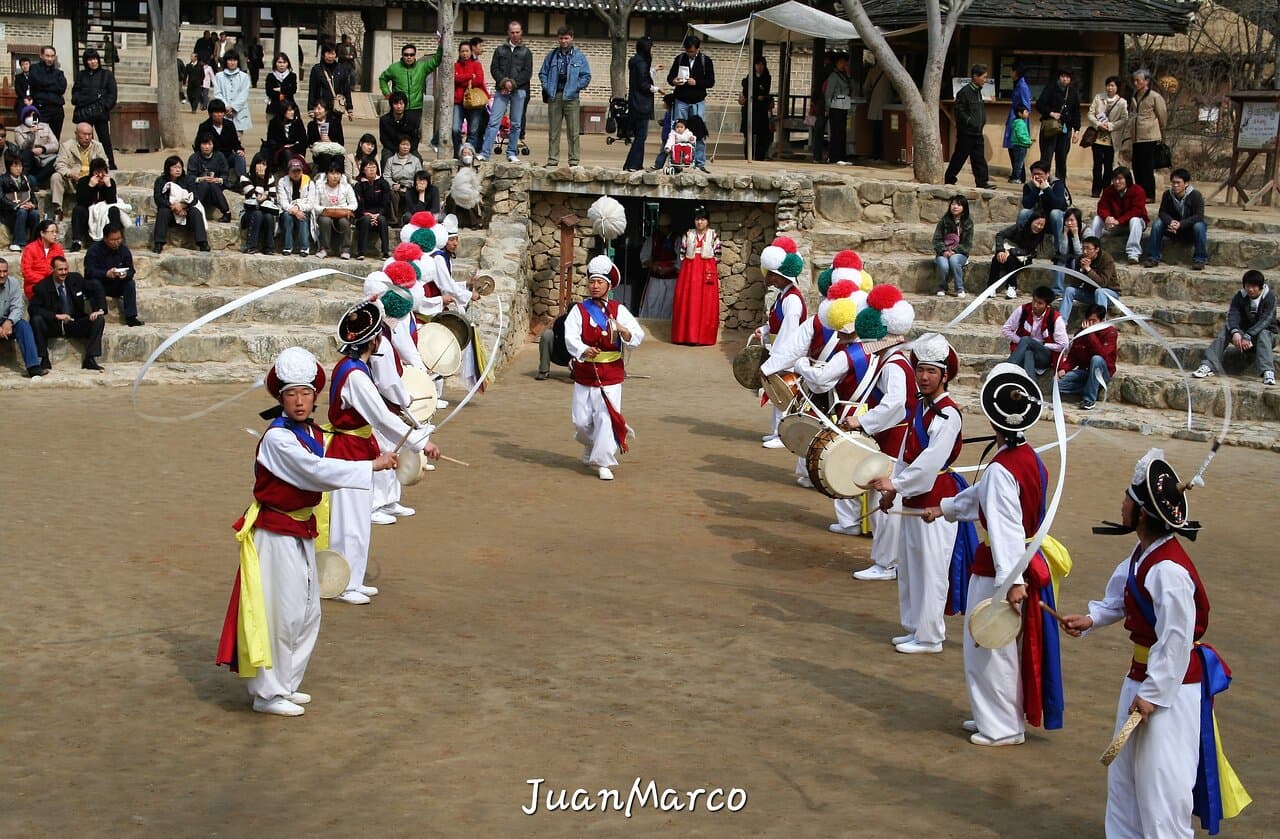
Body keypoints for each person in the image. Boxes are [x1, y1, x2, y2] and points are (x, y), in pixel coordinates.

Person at [1061, 449, 1251, 836]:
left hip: (1170, 689)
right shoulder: (1143, 554)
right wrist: (1093, 618)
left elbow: (1177, 640)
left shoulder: (1169, 569)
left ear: (1144, 513)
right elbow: (1122, 596)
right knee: (1126, 782)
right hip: (1143, 677)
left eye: (1128, 498)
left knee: (1163, 789)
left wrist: (1153, 693)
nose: (1122, 503)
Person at [216, 347, 397, 716]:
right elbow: (315, 471)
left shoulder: (311, 431)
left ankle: (285, 684)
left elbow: (326, 462)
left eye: (305, 393)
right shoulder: (278, 439)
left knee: (308, 611)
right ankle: (267, 693)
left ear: (315, 397)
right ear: (281, 398)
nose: (299, 401)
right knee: (281, 613)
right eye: (291, 394)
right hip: (275, 531)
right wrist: (371, 467)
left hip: (299, 528)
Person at [923, 363, 1066, 747]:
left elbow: (1004, 528)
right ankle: (996, 714)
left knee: (988, 646)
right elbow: (983, 496)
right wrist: (946, 508)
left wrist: (1012, 582)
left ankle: (1002, 726)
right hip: (1018, 562)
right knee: (996, 647)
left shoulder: (1004, 468)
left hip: (1002, 569)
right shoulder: (1027, 458)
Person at [324, 302, 438, 603]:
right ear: (374, 341)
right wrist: (421, 442)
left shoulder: (355, 369)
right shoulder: (356, 376)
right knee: (349, 522)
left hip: (358, 448)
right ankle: (342, 584)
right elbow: (381, 418)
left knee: (360, 519)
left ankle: (353, 579)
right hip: (348, 451)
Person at [866, 333, 967, 654]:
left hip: (936, 499)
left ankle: (930, 636)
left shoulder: (949, 415)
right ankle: (913, 627)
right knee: (910, 567)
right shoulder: (920, 409)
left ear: (944, 376)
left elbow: (929, 462)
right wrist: (892, 490)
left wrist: (896, 485)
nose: (924, 377)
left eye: (931, 372)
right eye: (920, 370)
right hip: (912, 496)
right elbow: (905, 457)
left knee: (931, 569)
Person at [565, 255, 645, 481]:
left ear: (609, 286)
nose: (595, 286)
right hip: (585, 373)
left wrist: (625, 332)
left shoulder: (619, 310)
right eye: (592, 282)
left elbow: (637, 335)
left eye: (600, 282)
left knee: (605, 418)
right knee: (581, 421)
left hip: (610, 373)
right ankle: (590, 444)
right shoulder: (579, 310)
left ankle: (603, 461)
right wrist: (582, 349)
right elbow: (570, 337)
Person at [755, 238, 808, 448]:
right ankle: (777, 432)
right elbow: (777, 323)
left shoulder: (792, 300)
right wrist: (766, 329)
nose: (767, 278)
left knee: (785, 396)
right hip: (780, 350)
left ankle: (784, 435)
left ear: (778, 277)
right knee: (778, 396)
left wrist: (776, 360)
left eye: (770, 274)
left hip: (787, 354)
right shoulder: (783, 296)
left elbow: (789, 334)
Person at [1191, 269, 1276, 385]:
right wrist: (1235, 332)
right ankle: (1207, 365)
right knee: (1226, 330)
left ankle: (1268, 372)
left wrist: (1249, 335)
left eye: (1254, 286)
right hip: (1244, 336)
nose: (1250, 289)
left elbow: (1265, 321)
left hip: (1265, 336)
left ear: (1260, 287)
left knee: (1264, 333)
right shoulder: (1240, 296)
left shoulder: (1270, 298)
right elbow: (1232, 315)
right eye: (1247, 286)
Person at [28, 255, 106, 371]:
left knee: (99, 320)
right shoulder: (42, 287)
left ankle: (90, 359)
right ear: (52, 270)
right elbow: (33, 308)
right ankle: (43, 358)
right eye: (60, 270)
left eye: (65, 269)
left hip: (75, 322)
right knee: (36, 319)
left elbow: (96, 287)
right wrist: (55, 316)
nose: (63, 272)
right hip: (54, 325)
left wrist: (99, 310)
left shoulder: (75, 279)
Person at [378, 38, 445, 152]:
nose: (408, 57)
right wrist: (387, 94)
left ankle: (412, 153)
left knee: (413, 133)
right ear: (402, 55)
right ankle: (395, 152)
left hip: (415, 107)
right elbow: (383, 78)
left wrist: (441, 46)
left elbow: (436, 61)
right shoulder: (394, 68)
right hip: (399, 107)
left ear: (415, 55)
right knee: (396, 132)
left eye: (411, 54)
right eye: (406, 54)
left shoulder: (422, 67)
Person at [538, 27, 592, 168]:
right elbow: (542, 73)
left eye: (566, 38)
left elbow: (586, 76)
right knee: (554, 131)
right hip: (554, 96)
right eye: (561, 38)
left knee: (573, 131)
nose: (564, 41)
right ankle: (552, 159)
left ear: (572, 38)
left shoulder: (579, 56)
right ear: (558, 39)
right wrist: (547, 86)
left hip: (572, 97)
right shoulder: (551, 55)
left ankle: (574, 161)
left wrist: (575, 86)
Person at [481, 21, 534, 163]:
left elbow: (527, 72)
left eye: (517, 32)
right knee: (494, 122)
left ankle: (511, 152)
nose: (515, 35)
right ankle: (485, 153)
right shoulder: (500, 50)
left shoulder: (526, 52)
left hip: (519, 90)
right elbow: (494, 69)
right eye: (512, 32)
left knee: (516, 123)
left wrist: (513, 84)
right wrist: (504, 82)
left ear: (521, 32)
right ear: (508, 33)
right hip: (501, 90)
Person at [669, 207, 721, 346]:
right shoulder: (688, 234)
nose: (700, 222)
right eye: (697, 219)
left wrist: (709, 267)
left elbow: (717, 255)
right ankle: (686, 336)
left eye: (703, 219)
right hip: (689, 270)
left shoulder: (713, 235)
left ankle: (703, 338)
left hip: (706, 270)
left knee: (705, 303)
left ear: (708, 221)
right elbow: (682, 253)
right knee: (688, 300)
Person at [665, 35, 715, 172]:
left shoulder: (706, 61)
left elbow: (711, 81)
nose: (690, 54)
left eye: (692, 51)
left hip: (698, 100)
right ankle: (678, 161)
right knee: (679, 131)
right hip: (681, 99)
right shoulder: (680, 59)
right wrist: (674, 81)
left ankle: (699, 162)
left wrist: (697, 82)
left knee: (697, 131)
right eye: (688, 51)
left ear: (697, 49)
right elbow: (670, 77)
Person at [1144, 168, 1208, 270]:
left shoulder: (1195, 195)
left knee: (1199, 226)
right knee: (1157, 224)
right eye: (1173, 182)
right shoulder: (1167, 194)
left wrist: (1181, 224)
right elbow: (1162, 212)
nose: (1175, 185)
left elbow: (1198, 216)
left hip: (1188, 228)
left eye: (1178, 183)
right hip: (1171, 228)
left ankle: (1200, 259)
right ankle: (1153, 257)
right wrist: (1170, 221)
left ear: (1186, 183)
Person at [1056, 305, 1115, 410]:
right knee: (1057, 385)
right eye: (1089, 320)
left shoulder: (1110, 332)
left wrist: (1091, 335)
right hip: (1085, 372)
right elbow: (1073, 357)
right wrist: (1064, 369)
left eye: (1094, 321)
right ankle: (1090, 387)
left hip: (1101, 372)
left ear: (1101, 321)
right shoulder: (1080, 333)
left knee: (1096, 359)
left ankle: (1089, 399)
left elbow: (1102, 354)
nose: (1090, 324)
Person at [1002, 285, 1068, 379]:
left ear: (1047, 305)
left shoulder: (1055, 318)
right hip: (1025, 351)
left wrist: (1044, 344)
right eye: (1034, 301)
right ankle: (1031, 384)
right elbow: (1006, 329)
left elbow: (1064, 345)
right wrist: (1022, 342)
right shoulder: (1023, 310)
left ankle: (1006, 372)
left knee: (1027, 341)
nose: (1035, 305)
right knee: (1028, 351)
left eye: (1040, 303)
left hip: (1045, 355)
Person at [83, 222, 141, 327]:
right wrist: (106, 273)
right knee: (94, 283)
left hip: (116, 284)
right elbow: (89, 271)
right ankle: (99, 314)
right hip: (100, 284)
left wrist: (125, 274)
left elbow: (131, 271)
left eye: (118, 239)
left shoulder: (123, 250)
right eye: (113, 240)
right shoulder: (94, 250)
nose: (116, 243)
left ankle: (131, 317)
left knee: (130, 283)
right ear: (105, 238)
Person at [944, 64, 993, 188]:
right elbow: (960, 112)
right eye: (983, 77)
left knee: (979, 158)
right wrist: (970, 122)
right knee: (960, 156)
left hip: (977, 132)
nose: (985, 80)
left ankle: (982, 182)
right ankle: (949, 178)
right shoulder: (965, 92)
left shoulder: (978, 92)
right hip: (967, 132)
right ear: (975, 77)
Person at [1089, 167, 1148, 265]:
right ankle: (1091, 248)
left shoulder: (1138, 190)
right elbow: (1102, 207)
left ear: (1127, 180)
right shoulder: (1109, 190)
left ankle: (1133, 253)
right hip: (1115, 225)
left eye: (1120, 179)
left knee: (1135, 220)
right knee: (1097, 219)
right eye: (1115, 179)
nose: (1117, 182)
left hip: (1133, 224)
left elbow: (1136, 210)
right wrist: (1107, 217)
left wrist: (1119, 220)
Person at [152, 155, 210, 254]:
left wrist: (183, 206)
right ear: (168, 168)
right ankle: (159, 243)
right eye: (174, 167)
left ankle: (202, 243)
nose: (178, 170)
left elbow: (194, 198)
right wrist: (174, 207)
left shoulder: (188, 180)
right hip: (170, 210)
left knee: (196, 212)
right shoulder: (160, 181)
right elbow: (158, 199)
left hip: (185, 210)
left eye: (179, 167)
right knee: (163, 212)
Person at [71, 48, 117, 169]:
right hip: (85, 112)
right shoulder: (81, 75)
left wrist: (105, 106)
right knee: (85, 139)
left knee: (104, 140)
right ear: (86, 62)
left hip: (100, 112)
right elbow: (75, 92)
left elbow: (112, 94)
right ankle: (85, 164)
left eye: (95, 59)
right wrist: (83, 99)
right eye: (90, 60)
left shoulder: (106, 74)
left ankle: (110, 164)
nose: (93, 62)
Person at [50, 122, 106, 222]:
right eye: (84, 134)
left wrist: (96, 175)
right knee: (56, 177)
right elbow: (59, 164)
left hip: (91, 182)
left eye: (90, 134)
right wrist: (69, 173)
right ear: (76, 134)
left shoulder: (98, 146)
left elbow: (105, 165)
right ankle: (57, 209)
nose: (87, 137)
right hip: (73, 181)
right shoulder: (66, 146)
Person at [1126, 68, 1167, 203]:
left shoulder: (1155, 96)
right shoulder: (1135, 95)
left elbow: (1162, 115)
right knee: (1136, 166)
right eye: (1134, 80)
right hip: (1136, 136)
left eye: (1138, 80)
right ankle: (1139, 193)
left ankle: (1149, 194)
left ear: (1146, 81)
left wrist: (1160, 130)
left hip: (1149, 136)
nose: (1135, 83)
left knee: (1147, 167)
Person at [0, 258, 44, 376]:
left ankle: (33, 367)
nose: (2, 275)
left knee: (23, 326)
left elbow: (17, 307)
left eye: (5, 271)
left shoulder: (13, 283)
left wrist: (9, 321)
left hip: (6, 321)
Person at [988, 212, 1048, 298]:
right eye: (1037, 223)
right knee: (996, 258)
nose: (1039, 227)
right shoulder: (1019, 227)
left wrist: (1010, 251)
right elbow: (1000, 235)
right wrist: (1000, 250)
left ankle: (1012, 286)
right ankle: (991, 286)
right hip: (1008, 252)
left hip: (1024, 258)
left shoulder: (1039, 235)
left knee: (1010, 259)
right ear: (1031, 221)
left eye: (1042, 225)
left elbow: (1028, 251)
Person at [1034, 67, 1080, 180]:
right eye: (1063, 76)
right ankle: (1043, 181)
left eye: (1067, 77)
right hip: (1050, 128)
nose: (1065, 79)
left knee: (1062, 158)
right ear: (1059, 77)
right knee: (1046, 157)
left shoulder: (1073, 92)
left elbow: (1076, 112)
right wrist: (1051, 113)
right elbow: (1039, 104)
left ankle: (1060, 184)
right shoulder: (1051, 88)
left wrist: (1077, 131)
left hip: (1065, 129)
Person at [1061, 235, 1119, 323]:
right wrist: (1081, 270)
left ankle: (1099, 324)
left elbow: (1102, 284)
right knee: (1069, 290)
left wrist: (1088, 270)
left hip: (1109, 295)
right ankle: (1061, 323)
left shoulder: (1107, 259)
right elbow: (1075, 284)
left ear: (1097, 249)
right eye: (1083, 248)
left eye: (1088, 249)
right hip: (1090, 293)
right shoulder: (1080, 259)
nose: (1085, 251)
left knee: (1100, 292)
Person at [69, 157, 123, 251]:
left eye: (102, 172)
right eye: (97, 172)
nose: (100, 175)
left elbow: (112, 201)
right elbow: (82, 201)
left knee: (114, 210)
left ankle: (115, 239)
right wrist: (90, 186)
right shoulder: (83, 182)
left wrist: (108, 186)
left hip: (104, 212)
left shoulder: (110, 182)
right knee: (78, 210)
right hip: (88, 211)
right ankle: (77, 241)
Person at [1087, 76, 1128, 198]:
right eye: (1108, 85)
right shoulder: (1099, 98)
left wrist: (1111, 126)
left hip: (1112, 138)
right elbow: (1090, 113)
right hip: (1098, 137)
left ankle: (1107, 189)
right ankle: (1096, 189)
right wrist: (1098, 124)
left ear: (1117, 88)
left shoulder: (1122, 102)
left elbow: (1124, 119)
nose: (1110, 88)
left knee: (1109, 166)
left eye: (1113, 85)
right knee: (1097, 165)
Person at [1018, 161, 1068, 255]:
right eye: (1034, 174)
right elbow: (1027, 204)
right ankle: (1023, 245)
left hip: (1054, 220)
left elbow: (1059, 205)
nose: (1037, 177)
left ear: (1047, 174)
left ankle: (1059, 250)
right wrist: (1036, 189)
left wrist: (1047, 189)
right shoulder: (1029, 186)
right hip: (1038, 220)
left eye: (1040, 174)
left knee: (1055, 213)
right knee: (1024, 213)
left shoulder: (1057, 184)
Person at [308, 162, 356, 259]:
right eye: (332, 173)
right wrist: (327, 210)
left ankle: (345, 250)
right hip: (325, 213)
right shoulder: (320, 186)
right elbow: (315, 204)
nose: (335, 176)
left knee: (344, 222)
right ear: (327, 175)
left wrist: (341, 210)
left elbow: (354, 204)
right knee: (325, 221)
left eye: (338, 174)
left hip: (342, 213)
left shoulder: (346, 187)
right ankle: (324, 249)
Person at [623, 37, 657, 172]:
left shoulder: (635, 61)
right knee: (641, 136)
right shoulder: (642, 62)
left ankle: (635, 164)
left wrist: (653, 70)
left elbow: (640, 76)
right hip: (642, 103)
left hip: (634, 103)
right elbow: (643, 84)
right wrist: (656, 89)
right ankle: (632, 165)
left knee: (639, 136)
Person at [196, 99, 248, 182]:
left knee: (239, 157)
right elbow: (198, 145)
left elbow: (235, 142)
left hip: (228, 156)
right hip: (212, 158)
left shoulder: (229, 125)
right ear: (210, 114)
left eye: (221, 112)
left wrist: (239, 149)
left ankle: (243, 181)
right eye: (216, 112)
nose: (219, 115)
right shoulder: (204, 127)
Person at [307, 44, 353, 135]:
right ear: (323, 54)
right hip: (322, 107)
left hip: (336, 108)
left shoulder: (341, 69)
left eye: (333, 53)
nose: (330, 56)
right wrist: (311, 108)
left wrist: (350, 108)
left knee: (335, 133)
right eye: (328, 53)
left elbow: (346, 89)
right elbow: (312, 89)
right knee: (323, 134)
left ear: (336, 54)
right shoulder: (317, 69)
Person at [932, 194, 973, 297]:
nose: (955, 207)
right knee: (943, 264)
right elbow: (936, 240)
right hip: (943, 252)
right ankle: (942, 287)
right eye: (953, 204)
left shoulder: (968, 223)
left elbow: (967, 244)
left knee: (954, 260)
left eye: (958, 205)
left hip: (960, 253)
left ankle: (959, 289)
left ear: (964, 208)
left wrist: (954, 250)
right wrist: (944, 251)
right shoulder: (944, 221)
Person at [451, 43, 487, 159]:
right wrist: (470, 76)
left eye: (467, 51)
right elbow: (454, 79)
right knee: (455, 129)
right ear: (459, 52)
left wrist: (463, 79)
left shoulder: (477, 65)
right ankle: (458, 153)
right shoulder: (455, 66)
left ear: (471, 52)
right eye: (462, 51)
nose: (464, 53)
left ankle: (469, 154)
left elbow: (479, 81)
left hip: (474, 102)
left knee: (473, 130)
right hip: (458, 101)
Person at [188, 133, 233, 222]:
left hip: (216, 186)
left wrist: (218, 179)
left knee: (212, 185)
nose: (206, 147)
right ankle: (226, 212)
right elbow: (190, 176)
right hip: (200, 187)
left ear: (213, 145)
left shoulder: (219, 156)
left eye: (209, 144)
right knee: (205, 184)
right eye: (204, 144)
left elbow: (225, 173)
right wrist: (201, 178)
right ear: (199, 145)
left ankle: (225, 212)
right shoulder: (194, 157)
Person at [0, 155, 41, 253]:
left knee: (34, 213)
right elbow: (1, 199)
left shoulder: (25, 179)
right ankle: (18, 242)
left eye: (20, 166)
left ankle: (34, 241)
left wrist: (33, 205)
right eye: (15, 166)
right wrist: (17, 206)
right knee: (22, 211)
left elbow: (32, 196)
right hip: (9, 211)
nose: (18, 169)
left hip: (24, 208)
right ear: (9, 167)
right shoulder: (2, 180)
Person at [353, 158, 391, 260]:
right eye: (368, 167)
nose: (371, 169)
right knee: (365, 220)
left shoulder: (383, 184)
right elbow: (358, 203)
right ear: (363, 170)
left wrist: (378, 214)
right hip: (363, 216)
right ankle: (361, 252)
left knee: (382, 220)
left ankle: (385, 252)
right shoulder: (359, 185)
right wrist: (367, 214)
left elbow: (386, 202)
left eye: (374, 167)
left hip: (379, 215)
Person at [240, 154, 278, 255]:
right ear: (254, 164)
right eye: (259, 163)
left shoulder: (270, 177)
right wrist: (261, 180)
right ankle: (250, 246)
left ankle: (268, 247)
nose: (261, 166)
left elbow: (273, 198)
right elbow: (254, 197)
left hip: (265, 211)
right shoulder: (245, 177)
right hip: (249, 213)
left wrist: (265, 197)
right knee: (258, 214)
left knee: (269, 216)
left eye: (264, 164)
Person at [12, 106, 58, 186]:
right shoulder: (18, 130)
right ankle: (26, 180)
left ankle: (36, 180)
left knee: (59, 159)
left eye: (34, 115)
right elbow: (22, 146)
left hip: (46, 158)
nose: (32, 118)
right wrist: (31, 134)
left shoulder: (45, 127)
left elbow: (55, 145)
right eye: (29, 116)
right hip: (31, 159)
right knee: (26, 153)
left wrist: (43, 149)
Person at [29, 46, 67, 140]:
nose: (50, 59)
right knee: (37, 137)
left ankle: (54, 155)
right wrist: (53, 84)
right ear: (41, 56)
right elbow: (37, 81)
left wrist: (44, 86)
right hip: (38, 109)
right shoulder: (34, 68)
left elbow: (62, 88)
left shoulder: (59, 72)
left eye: (52, 56)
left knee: (55, 139)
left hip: (56, 109)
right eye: (47, 56)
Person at [276, 157, 312, 256]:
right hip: (288, 209)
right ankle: (288, 247)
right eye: (293, 171)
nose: (296, 173)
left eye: (298, 171)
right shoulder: (282, 182)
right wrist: (294, 211)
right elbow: (283, 202)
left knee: (303, 217)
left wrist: (298, 207)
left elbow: (310, 203)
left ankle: (304, 248)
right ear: (289, 172)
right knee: (287, 217)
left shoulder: (308, 182)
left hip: (302, 209)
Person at [20, 219, 65, 298]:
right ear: (42, 233)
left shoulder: (58, 249)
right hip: (34, 285)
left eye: (56, 232)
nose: (55, 235)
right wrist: (45, 281)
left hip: (53, 284)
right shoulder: (30, 248)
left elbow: (62, 267)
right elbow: (26, 272)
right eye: (52, 232)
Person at [262, 101, 307, 174]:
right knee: (286, 152)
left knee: (288, 153)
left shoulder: (297, 122)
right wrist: (283, 147)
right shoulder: (274, 122)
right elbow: (271, 141)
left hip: (296, 150)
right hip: (279, 151)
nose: (292, 112)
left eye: (293, 110)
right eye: (289, 110)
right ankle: (291, 175)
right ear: (282, 111)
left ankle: (292, 175)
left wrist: (291, 147)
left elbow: (304, 141)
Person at [1003, 63, 1031, 182]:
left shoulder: (1022, 86)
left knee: (1017, 148)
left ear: (1016, 72)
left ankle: (1018, 175)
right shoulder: (1018, 84)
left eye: (1012, 71)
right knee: (1014, 148)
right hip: (1014, 118)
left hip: (1018, 120)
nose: (1010, 73)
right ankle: (1017, 174)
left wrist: (1020, 118)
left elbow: (1026, 105)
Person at [824, 54, 854, 165]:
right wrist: (828, 107)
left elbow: (852, 87)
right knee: (836, 132)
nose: (844, 65)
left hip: (844, 106)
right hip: (835, 106)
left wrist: (849, 74)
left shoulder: (845, 76)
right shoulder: (833, 76)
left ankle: (842, 156)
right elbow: (828, 93)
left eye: (845, 63)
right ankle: (834, 157)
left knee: (842, 132)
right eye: (841, 62)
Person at [384, 136, 422, 221]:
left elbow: (419, 177)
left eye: (407, 145)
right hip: (396, 187)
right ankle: (394, 219)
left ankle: (410, 217)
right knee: (391, 193)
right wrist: (393, 185)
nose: (405, 147)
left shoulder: (415, 160)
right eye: (403, 144)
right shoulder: (390, 160)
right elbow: (386, 176)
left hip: (410, 186)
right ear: (398, 145)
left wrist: (411, 184)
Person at [213, 51, 252, 134]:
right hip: (223, 112)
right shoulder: (219, 76)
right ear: (226, 61)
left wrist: (233, 107)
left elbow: (243, 94)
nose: (232, 62)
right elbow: (217, 93)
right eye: (230, 60)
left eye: (234, 60)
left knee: (237, 140)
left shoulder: (244, 77)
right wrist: (226, 106)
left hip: (239, 113)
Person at [1051, 207, 1084, 299]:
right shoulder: (1063, 229)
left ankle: (1076, 289)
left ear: (1078, 221)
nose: (1069, 223)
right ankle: (1057, 291)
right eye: (1067, 220)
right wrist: (1065, 235)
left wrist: (1075, 235)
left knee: (1075, 261)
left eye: (1072, 220)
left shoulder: (1086, 230)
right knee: (1061, 261)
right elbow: (1063, 251)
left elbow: (1079, 252)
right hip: (1067, 257)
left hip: (1080, 259)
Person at [305, 101, 345, 174]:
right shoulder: (311, 125)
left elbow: (341, 142)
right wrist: (319, 142)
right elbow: (309, 142)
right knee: (325, 156)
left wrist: (330, 141)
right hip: (320, 153)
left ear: (326, 111)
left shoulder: (335, 123)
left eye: (319, 109)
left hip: (334, 150)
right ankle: (324, 178)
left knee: (339, 158)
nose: (317, 111)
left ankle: (340, 178)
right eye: (315, 109)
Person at [378, 92, 420, 158]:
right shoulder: (384, 120)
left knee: (418, 158)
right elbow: (384, 139)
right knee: (386, 157)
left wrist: (407, 149)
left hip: (408, 148)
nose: (399, 106)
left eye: (401, 103)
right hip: (391, 148)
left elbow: (415, 138)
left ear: (405, 105)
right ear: (391, 105)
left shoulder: (412, 119)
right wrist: (397, 150)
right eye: (396, 103)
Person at [264, 53, 299, 120]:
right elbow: (269, 92)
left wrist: (280, 89)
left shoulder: (292, 76)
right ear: (275, 63)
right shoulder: (270, 76)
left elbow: (293, 90)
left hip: (289, 107)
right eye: (279, 62)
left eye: (284, 62)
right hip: (273, 108)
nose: (282, 65)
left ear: (288, 63)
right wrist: (285, 90)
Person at [1007, 105, 1032, 186]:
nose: (1028, 113)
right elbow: (1021, 135)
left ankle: (1015, 177)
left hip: (1019, 145)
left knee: (1017, 162)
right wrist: (1028, 141)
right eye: (1026, 112)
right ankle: (1016, 178)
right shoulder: (1020, 123)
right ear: (1020, 113)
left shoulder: (1018, 122)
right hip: (1021, 145)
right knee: (1019, 163)